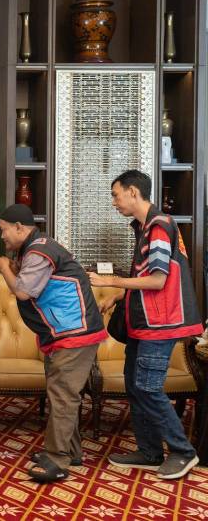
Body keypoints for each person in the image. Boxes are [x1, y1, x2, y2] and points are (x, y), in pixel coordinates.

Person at [89, 170, 201, 480]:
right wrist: (118, 296)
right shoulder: (144, 226)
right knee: (135, 385)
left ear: (133, 192)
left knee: (148, 387)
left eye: (116, 195)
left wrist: (111, 281)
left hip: (160, 323)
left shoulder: (159, 227)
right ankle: (149, 452)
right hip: (143, 321)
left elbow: (157, 280)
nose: (114, 202)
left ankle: (183, 451)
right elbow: (143, 275)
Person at [0, 204, 107, 483]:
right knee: (62, 394)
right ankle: (70, 451)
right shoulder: (35, 248)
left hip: (73, 333)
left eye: (4, 230)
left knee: (63, 396)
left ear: (19, 227)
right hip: (63, 333)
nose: (2, 236)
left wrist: (4, 268)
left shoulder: (39, 251)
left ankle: (57, 460)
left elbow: (23, 291)